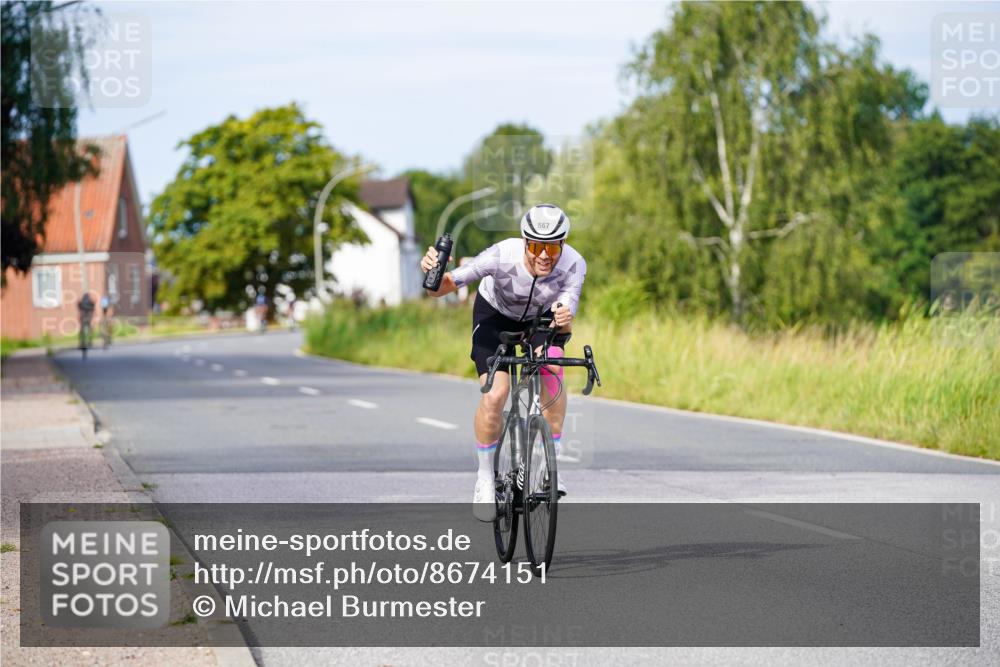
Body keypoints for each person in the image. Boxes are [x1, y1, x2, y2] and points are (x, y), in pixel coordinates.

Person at [420, 203, 587, 521]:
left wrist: (563, 320)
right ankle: (484, 478)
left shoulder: (575, 264)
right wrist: (433, 269)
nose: (543, 255)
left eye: (551, 246)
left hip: (540, 319)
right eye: (536, 245)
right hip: (494, 317)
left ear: (562, 245)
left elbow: (564, 321)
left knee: (552, 370)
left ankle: (547, 464)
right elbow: (440, 290)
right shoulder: (500, 255)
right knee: (496, 394)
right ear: (525, 241)